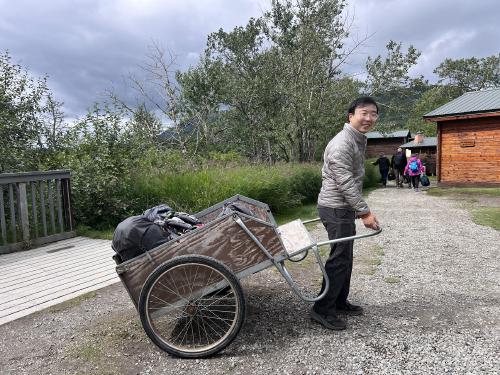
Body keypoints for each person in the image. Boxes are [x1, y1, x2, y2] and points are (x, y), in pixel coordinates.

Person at [311, 96, 380, 331]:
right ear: (351, 116)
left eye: (373, 114)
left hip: (343, 208)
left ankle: (339, 301)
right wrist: (365, 213)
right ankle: (322, 309)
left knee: (345, 258)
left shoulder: (356, 139)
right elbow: (345, 183)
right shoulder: (342, 143)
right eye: (364, 113)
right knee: (339, 259)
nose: (369, 118)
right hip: (335, 207)